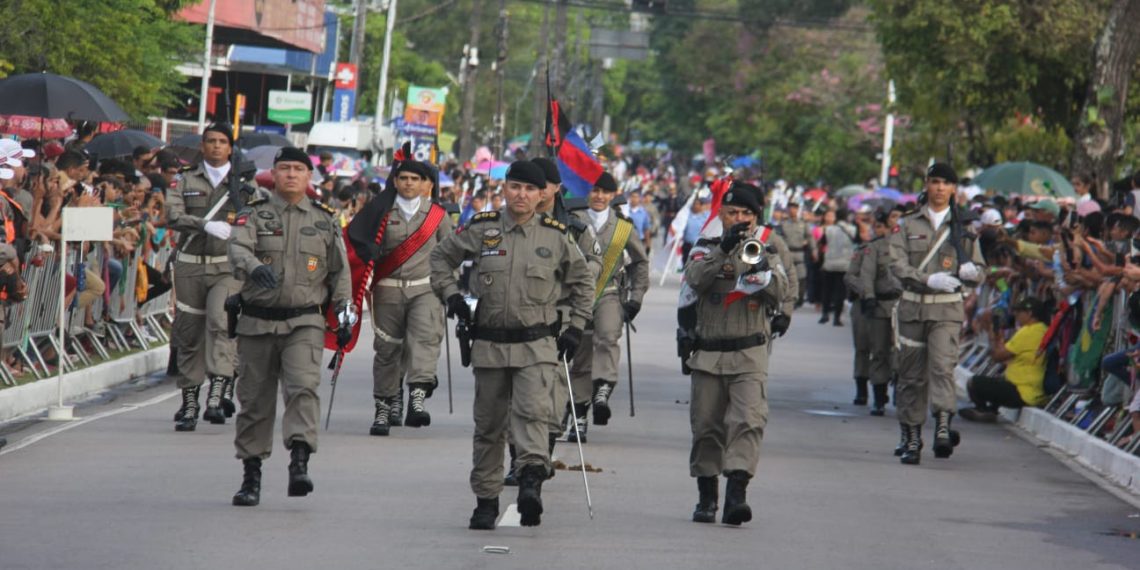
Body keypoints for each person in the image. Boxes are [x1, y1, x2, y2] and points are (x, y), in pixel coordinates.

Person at [430, 160, 593, 530]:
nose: (521, 195)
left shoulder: (555, 236)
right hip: (489, 346)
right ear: (505, 189)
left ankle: (530, 484)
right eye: (515, 187)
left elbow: (584, 283)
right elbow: (441, 257)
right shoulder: (482, 230)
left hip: (537, 346)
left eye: (529, 189)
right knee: (488, 427)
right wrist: (452, 296)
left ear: (542, 195)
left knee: (533, 415)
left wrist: (575, 327)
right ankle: (486, 501)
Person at [226, 146, 352, 507]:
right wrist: (254, 267)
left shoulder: (325, 220)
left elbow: (339, 274)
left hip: (305, 322)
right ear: (274, 174)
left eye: (298, 169)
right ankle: (251, 475)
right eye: (285, 168)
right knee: (254, 401)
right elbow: (237, 249)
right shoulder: (254, 215)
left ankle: (299, 460)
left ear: (309, 176)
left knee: (303, 390)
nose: (291, 175)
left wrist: (344, 315)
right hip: (256, 322)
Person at [683, 182, 793, 526]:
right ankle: (706, 496)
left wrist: (760, 263)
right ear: (721, 213)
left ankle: (736, 495)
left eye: (747, 213)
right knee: (706, 427)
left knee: (748, 421)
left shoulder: (768, 248)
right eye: (733, 212)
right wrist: (722, 253)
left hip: (749, 352)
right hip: (709, 353)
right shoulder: (705, 247)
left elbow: (782, 292)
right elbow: (694, 280)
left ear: (756, 217)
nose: (739, 219)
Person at [502, 157, 602, 486]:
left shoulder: (573, 227)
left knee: (552, 393)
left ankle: (540, 454)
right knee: (513, 395)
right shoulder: (505, 223)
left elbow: (593, 267)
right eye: (531, 185)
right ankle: (519, 460)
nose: (537, 191)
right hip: (517, 318)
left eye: (543, 185)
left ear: (556, 188)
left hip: (558, 319)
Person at [889, 163, 985, 465]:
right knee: (911, 376)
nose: (940, 188)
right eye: (935, 182)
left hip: (947, 308)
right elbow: (895, 263)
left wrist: (973, 272)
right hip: (913, 307)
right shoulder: (907, 225)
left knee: (942, 367)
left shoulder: (965, 227)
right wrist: (926, 278)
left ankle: (943, 425)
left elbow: (980, 270)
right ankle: (912, 436)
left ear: (955, 189)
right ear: (926, 185)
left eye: (946, 183)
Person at [165, 123, 248, 431]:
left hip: (226, 265)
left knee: (220, 322)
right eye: (210, 141)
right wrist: (203, 224)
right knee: (189, 333)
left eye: (222, 141)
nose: (216, 146)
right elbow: (172, 216)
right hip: (189, 264)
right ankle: (189, 402)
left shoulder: (243, 183)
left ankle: (217, 393)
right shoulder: (184, 179)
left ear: (230, 148)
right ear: (203, 145)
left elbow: (258, 218)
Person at [366, 160, 453, 436]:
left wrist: (449, 289)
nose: (408, 183)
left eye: (415, 178)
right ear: (395, 181)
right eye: (403, 177)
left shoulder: (437, 216)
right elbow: (362, 247)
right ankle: (384, 406)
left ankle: (416, 398)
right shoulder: (379, 212)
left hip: (424, 288)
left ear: (424, 183)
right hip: (388, 289)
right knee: (387, 350)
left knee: (424, 342)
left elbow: (448, 254)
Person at [566, 172, 649, 441]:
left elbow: (640, 262)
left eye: (605, 192)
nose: (599, 196)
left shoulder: (623, 226)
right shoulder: (572, 219)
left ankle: (603, 388)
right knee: (580, 356)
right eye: (595, 190)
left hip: (609, 292)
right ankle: (579, 416)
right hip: (575, 295)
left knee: (607, 337)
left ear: (613, 195)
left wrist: (636, 297)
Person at [847, 209, 901, 415]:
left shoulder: (905, 247)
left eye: (882, 226)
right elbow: (858, 276)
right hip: (873, 305)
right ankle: (874, 394)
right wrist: (866, 294)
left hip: (899, 305)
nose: (878, 229)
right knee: (870, 349)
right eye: (877, 226)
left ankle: (897, 389)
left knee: (900, 352)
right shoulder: (869, 249)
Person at [960, 297, 1048, 422]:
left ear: (1029, 313)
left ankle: (983, 410)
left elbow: (997, 356)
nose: (1016, 315)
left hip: (1022, 391)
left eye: (1019, 312)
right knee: (999, 381)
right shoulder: (1043, 329)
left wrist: (992, 334)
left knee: (974, 382)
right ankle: (990, 409)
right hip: (1033, 390)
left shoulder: (1029, 332)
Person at [819, 208, 856, 326]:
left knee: (827, 290)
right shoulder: (852, 229)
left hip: (829, 263)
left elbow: (822, 243)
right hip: (845, 264)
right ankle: (837, 318)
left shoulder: (828, 229)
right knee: (840, 292)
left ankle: (824, 314)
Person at [778, 202, 817, 307]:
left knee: (801, 277)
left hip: (800, 253)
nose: (792, 210)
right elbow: (778, 238)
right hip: (787, 252)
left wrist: (814, 250)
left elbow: (810, 237)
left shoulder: (803, 224)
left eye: (794, 208)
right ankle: (788, 298)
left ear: (798, 209)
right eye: (790, 208)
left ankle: (799, 298)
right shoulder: (783, 224)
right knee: (787, 276)